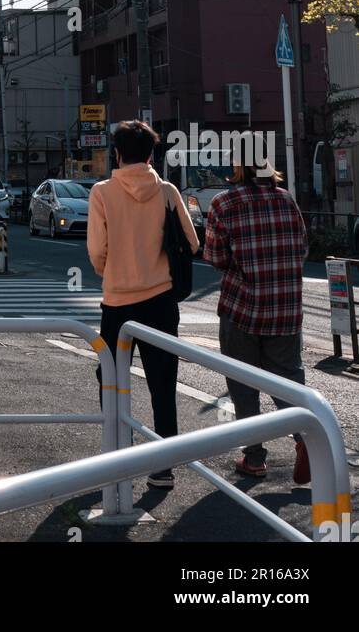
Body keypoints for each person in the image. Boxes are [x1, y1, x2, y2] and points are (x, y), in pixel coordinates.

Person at [87, 120, 199, 490]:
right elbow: (192, 242)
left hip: (117, 301)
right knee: (162, 380)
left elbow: (97, 251)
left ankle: (118, 453)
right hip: (161, 299)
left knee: (111, 377)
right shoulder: (167, 191)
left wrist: (113, 271)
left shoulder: (102, 192)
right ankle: (163, 466)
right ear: (151, 154)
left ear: (117, 153)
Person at [204, 159, 310, 483]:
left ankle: (254, 459)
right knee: (288, 381)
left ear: (237, 165)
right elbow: (303, 248)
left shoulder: (224, 203)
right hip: (285, 308)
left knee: (243, 385)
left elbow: (215, 258)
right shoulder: (286, 199)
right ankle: (308, 441)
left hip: (242, 308)